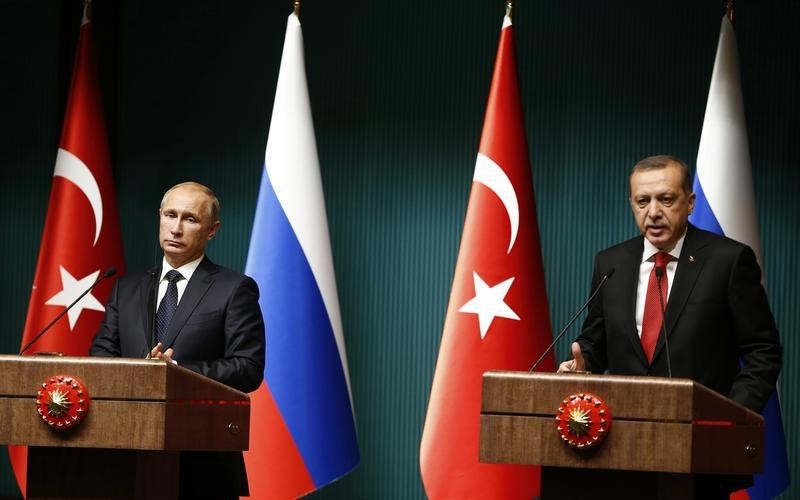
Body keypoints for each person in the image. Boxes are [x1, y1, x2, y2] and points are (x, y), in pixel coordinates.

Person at [558, 155, 782, 497]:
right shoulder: (611, 263)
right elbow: (596, 342)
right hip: (620, 446)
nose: (653, 212)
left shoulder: (729, 260)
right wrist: (583, 362)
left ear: (689, 202)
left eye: (666, 199)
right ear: (631, 204)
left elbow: (763, 351)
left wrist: (731, 416)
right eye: (642, 201)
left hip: (701, 451)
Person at [90, 181, 266, 499]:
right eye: (170, 215)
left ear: (212, 230)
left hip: (201, 462)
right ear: (160, 217)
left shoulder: (235, 289)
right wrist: (139, 372)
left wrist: (178, 370)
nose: (176, 228)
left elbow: (247, 368)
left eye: (190, 219)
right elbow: (101, 357)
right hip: (125, 457)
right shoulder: (125, 288)